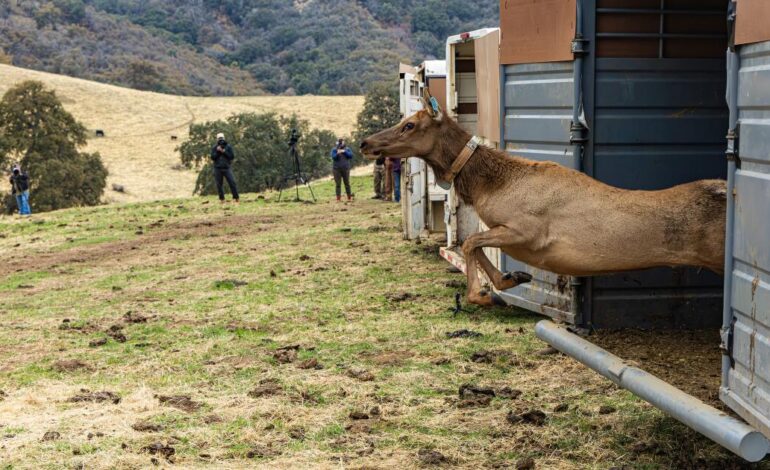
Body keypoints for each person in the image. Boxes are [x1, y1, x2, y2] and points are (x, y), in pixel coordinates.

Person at [210, 132, 239, 203]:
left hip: (227, 167)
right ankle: (222, 199)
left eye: (222, 138)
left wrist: (223, 151)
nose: (221, 140)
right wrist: (218, 151)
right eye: (219, 138)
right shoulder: (214, 147)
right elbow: (213, 157)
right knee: (219, 184)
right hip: (217, 168)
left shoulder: (228, 146)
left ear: (224, 138)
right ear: (217, 139)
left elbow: (231, 156)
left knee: (232, 182)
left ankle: (236, 198)